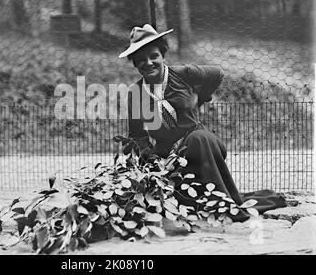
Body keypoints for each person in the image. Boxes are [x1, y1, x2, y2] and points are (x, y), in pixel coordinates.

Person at [119, 24, 286, 222]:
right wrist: (154, 162)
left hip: (201, 146)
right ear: (135, 64)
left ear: (163, 55)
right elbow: (137, 136)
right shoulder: (136, 93)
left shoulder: (184, 74)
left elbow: (217, 74)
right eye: (140, 60)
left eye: (153, 56)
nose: (148, 63)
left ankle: (223, 205)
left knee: (199, 138)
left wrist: (200, 97)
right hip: (168, 160)